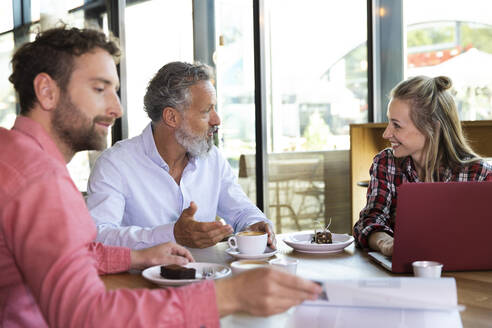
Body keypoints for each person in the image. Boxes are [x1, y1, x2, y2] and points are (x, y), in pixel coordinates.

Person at [0, 26, 322, 327]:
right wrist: (230, 295)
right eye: (100, 89)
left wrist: (137, 255)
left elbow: (78, 251)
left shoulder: (16, 159)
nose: (117, 108)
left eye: (115, 91)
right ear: (46, 91)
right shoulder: (39, 182)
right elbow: (85, 314)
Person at [86, 61, 275, 249]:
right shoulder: (115, 164)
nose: (217, 120)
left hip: (207, 275)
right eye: (206, 111)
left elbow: (241, 211)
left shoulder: (212, 158)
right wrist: (172, 235)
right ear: (172, 117)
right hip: (138, 278)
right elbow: (99, 236)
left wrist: (256, 223)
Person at [353, 75, 492, 256]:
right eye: (389, 122)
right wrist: (386, 243)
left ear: (432, 127)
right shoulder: (387, 163)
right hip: (403, 275)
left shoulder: (479, 175)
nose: (386, 134)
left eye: (397, 125)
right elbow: (369, 220)